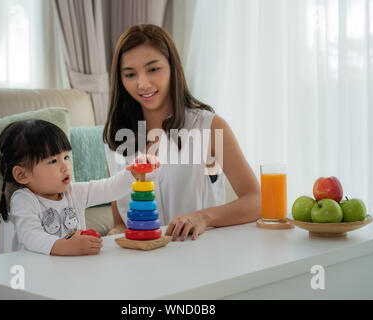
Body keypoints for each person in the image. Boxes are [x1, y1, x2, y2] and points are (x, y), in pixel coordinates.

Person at [103, 24, 261, 241]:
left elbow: (257, 200)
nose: (142, 84)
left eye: (153, 69)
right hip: (140, 265)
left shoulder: (209, 126)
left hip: (198, 260)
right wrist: (112, 236)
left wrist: (203, 217)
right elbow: (120, 223)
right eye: (130, 74)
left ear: (172, 67)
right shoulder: (116, 141)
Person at [0, 119, 159, 256]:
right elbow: (30, 236)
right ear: (22, 175)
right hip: (36, 273)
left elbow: (109, 188)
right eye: (53, 161)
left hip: (70, 271)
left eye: (66, 157)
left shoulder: (74, 192)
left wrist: (134, 172)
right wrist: (65, 246)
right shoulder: (24, 199)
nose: (65, 167)